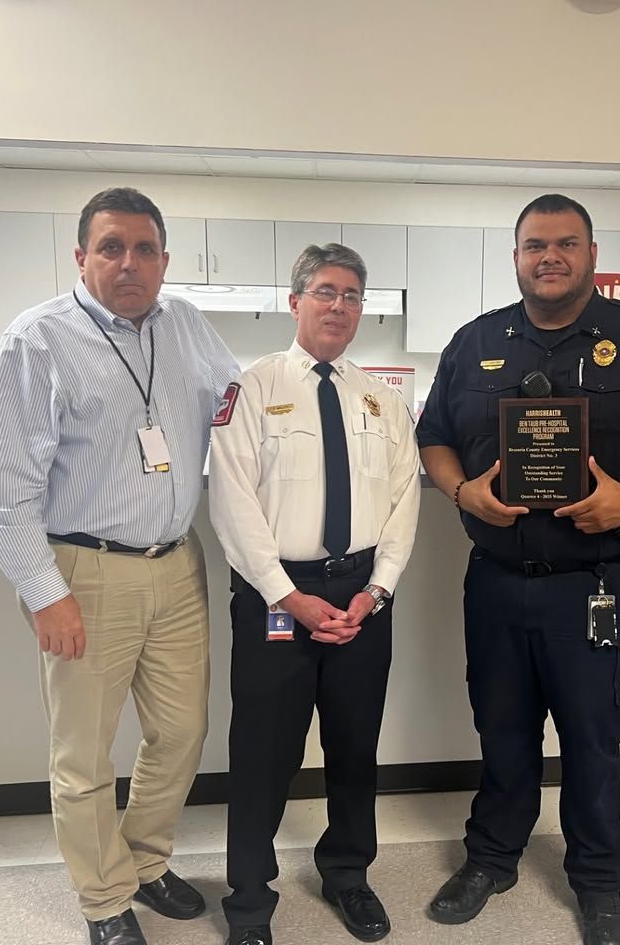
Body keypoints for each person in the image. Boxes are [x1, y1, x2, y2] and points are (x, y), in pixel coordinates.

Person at [415, 194, 620, 945]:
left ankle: (597, 880)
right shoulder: (476, 341)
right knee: (502, 730)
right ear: (516, 257)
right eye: (533, 245)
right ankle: (490, 858)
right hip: (493, 580)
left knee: (592, 737)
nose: (549, 257)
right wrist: (462, 491)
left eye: (565, 244)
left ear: (590, 255)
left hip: (593, 586)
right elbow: (434, 438)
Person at [0, 187, 240, 945]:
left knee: (183, 731)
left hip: (176, 566)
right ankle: (103, 899)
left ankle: (147, 861)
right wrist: (43, 592)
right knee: (85, 754)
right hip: (84, 572)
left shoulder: (183, 322)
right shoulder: (38, 340)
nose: (130, 263)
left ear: (164, 259)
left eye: (145, 248)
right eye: (112, 247)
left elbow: (239, 401)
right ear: (81, 256)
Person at [209, 243, 420, 945]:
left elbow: (403, 503)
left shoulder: (381, 401)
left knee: (355, 747)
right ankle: (248, 903)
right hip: (278, 597)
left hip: (361, 597)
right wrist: (285, 596)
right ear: (296, 301)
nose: (339, 306)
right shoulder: (251, 390)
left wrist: (378, 592)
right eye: (326, 292)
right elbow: (233, 505)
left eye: (353, 295)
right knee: (264, 753)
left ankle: (348, 875)